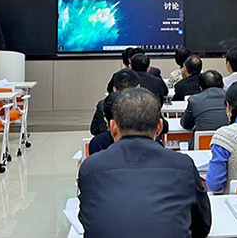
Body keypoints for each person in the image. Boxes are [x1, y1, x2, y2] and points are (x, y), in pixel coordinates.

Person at [77, 88, 211, 238]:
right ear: (159, 127)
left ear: (113, 127)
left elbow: (88, 221)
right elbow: (202, 225)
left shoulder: (90, 168)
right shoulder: (183, 166)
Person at [89, 69, 140, 154]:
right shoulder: (145, 105)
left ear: (114, 89)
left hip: (105, 148)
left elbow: (94, 130)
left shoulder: (103, 104)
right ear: (138, 87)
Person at [180, 70, 229, 149]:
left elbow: (186, 124)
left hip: (200, 149)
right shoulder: (231, 98)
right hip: (227, 147)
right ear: (222, 85)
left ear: (200, 87)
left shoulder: (194, 100)